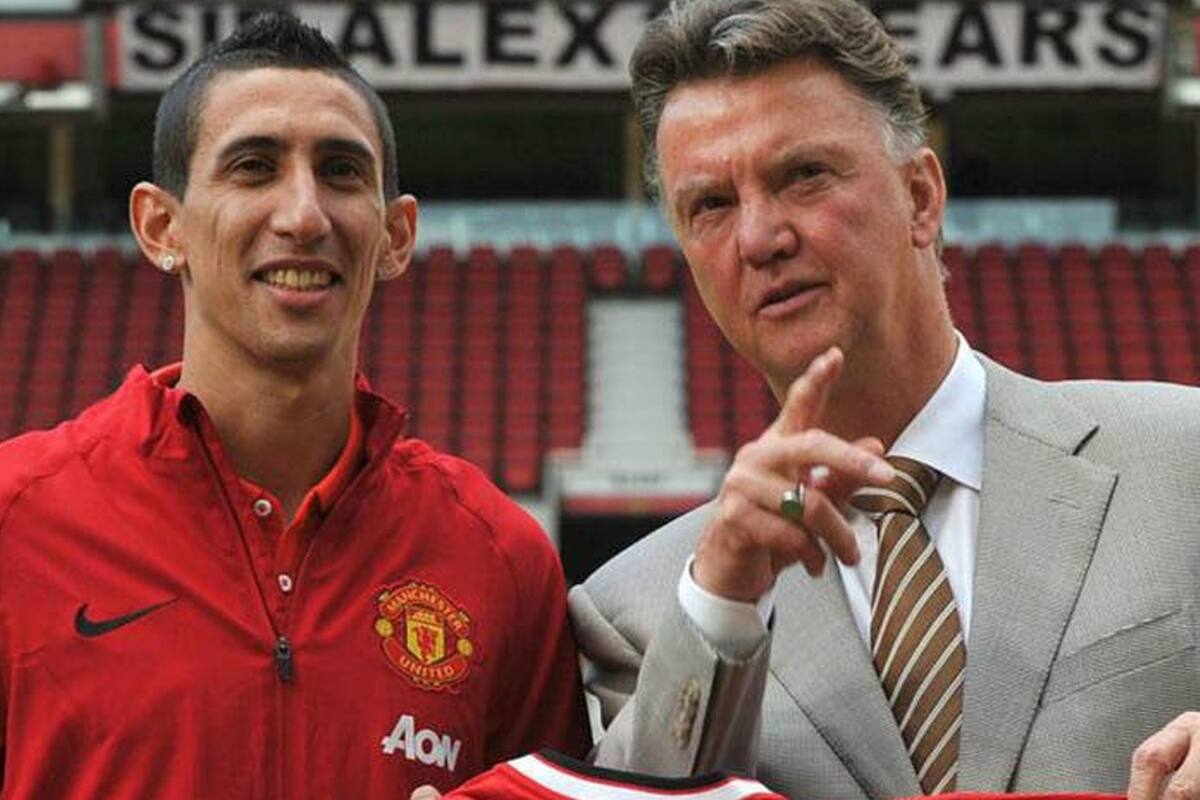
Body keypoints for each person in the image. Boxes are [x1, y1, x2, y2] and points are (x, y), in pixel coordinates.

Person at [568, 1, 1200, 798]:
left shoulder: (1183, 464)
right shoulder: (640, 611)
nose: (760, 237)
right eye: (712, 206)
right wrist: (722, 610)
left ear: (921, 197)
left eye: (803, 176)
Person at [0, 13, 588, 799]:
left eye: (342, 171)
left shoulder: (500, 560)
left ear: (396, 234)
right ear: (159, 225)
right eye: (253, 167)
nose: (304, 215)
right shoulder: (15, 523)